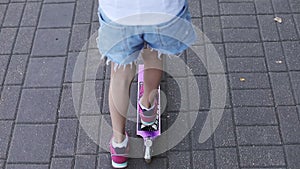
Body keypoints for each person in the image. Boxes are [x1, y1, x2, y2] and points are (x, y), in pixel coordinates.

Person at [96, 0, 196, 168]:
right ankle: (148, 109)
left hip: (119, 13)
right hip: (163, 11)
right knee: (153, 56)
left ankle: (119, 144)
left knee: (120, 74)